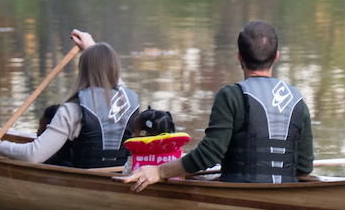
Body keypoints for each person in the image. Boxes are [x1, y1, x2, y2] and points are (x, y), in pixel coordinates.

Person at [126, 19, 313, 189]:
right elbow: (304, 167)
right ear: (277, 56)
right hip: (286, 193)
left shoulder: (231, 95)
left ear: (239, 56)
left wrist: (159, 172)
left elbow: (208, 155)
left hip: (240, 194)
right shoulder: (297, 101)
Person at [0, 29, 144, 169]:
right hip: (118, 176)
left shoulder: (72, 110)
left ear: (83, 70)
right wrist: (92, 48)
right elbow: (116, 82)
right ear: (115, 69)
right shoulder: (129, 101)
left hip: (85, 183)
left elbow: (34, 155)